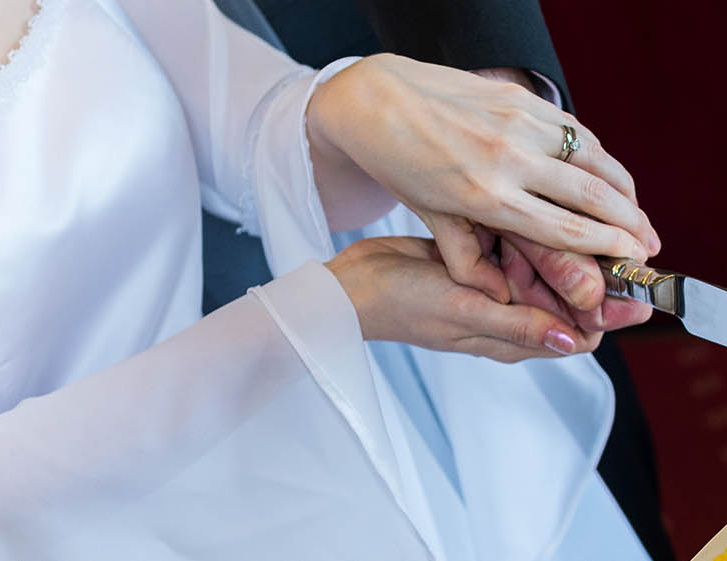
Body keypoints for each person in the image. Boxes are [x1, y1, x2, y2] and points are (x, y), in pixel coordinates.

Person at [0, 0, 658, 559]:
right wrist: (326, 311)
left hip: (293, 466)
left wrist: (363, 106)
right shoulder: (309, 321)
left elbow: (240, 123)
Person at [204, 1, 677, 558]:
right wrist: (332, 308)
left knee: (576, 465)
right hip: (203, 314)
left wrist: (496, 99)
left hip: (380, 81)